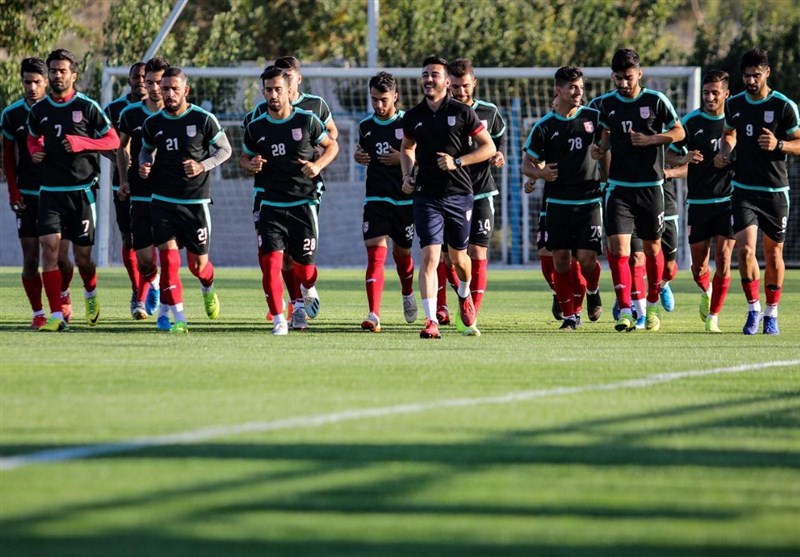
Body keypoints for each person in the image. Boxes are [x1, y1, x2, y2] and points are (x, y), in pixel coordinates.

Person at [400, 56, 496, 338]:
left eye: (435, 74)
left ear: (446, 81)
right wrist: (407, 175)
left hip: (459, 194)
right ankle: (431, 320)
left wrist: (458, 162)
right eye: (425, 74)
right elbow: (407, 147)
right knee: (430, 256)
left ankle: (464, 295)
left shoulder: (462, 112)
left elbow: (488, 147)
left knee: (459, 259)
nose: (429, 79)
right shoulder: (413, 116)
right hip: (426, 196)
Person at [239, 66, 338, 334]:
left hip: (302, 204)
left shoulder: (307, 120)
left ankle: (307, 288)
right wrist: (251, 164)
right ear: (263, 92)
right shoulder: (255, 126)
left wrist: (317, 166)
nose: (273, 95)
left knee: (304, 270)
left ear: (288, 90)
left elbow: (332, 145)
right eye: (268, 90)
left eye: (278, 89)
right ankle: (280, 319)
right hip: (271, 205)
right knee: (272, 264)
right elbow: (244, 157)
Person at [592, 48, 684, 332]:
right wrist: (600, 149)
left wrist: (651, 140)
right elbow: (605, 135)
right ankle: (625, 310)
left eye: (628, 77)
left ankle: (652, 305)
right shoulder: (607, 103)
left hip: (651, 188)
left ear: (639, 74)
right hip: (619, 188)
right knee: (618, 248)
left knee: (652, 249)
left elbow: (679, 132)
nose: (623, 83)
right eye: (618, 78)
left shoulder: (656, 100)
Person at [27, 48, 120, 331]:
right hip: (50, 191)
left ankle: (90, 292)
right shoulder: (39, 110)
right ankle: (56, 315)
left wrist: (83, 143)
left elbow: (113, 141)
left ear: (73, 75)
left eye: (62, 70)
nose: (57, 75)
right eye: (53, 71)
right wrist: (35, 150)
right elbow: (32, 138)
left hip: (81, 191)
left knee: (83, 259)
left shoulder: (88, 107)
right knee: (50, 250)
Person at [138, 67, 232, 333]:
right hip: (162, 200)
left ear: (185, 90)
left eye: (174, 89)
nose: (168, 93)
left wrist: (202, 165)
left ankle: (207, 286)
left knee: (198, 266)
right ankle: (176, 317)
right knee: (169, 261)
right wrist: (145, 163)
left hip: (195, 202)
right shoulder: (153, 123)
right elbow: (146, 150)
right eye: (165, 88)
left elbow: (225, 150)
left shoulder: (203, 119)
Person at [714, 48, 800, 335]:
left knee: (773, 254)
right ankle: (753, 309)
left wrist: (779, 145)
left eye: (756, 75)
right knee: (746, 249)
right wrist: (725, 151)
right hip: (743, 190)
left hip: (775, 191)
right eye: (747, 76)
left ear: (767, 73)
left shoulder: (784, 106)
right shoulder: (734, 104)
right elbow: (729, 133)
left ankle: (771, 313)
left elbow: (799, 142)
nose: (751, 80)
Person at [522, 66, 603, 330]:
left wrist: (604, 158)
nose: (578, 92)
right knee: (560, 259)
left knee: (587, 259)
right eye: (572, 87)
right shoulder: (544, 126)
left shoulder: (594, 117)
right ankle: (570, 316)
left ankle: (593, 290)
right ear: (559, 90)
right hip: (557, 203)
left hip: (589, 201)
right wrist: (540, 173)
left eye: (580, 87)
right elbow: (526, 164)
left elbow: (609, 144)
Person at [2, 57, 74, 329]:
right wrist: (13, 192)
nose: (31, 87)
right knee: (31, 259)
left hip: (58, 193)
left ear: (46, 82)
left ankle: (63, 293)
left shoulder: (61, 108)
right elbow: (7, 158)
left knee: (62, 259)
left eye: (36, 82)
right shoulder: (12, 115)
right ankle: (38, 313)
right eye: (26, 82)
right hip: (29, 195)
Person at [435, 58, 506, 329]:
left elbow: (497, 140)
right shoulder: (439, 112)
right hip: (449, 193)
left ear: (474, 83)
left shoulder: (489, 112)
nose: (461, 91)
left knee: (477, 252)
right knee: (447, 257)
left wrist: (498, 154)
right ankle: (449, 303)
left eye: (465, 86)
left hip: (481, 191)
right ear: (447, 85)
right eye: (455, 87)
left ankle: (470, 311)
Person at [666, 70, 734, 332]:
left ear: (726, 94)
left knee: (724, 259)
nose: (710, 97)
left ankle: (713, 317)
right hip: (698, 203)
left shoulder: (735, 121)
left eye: (715, 93)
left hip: (728, 201)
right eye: (706, 92)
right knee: (698, 267)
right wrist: (682, 159)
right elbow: (669, 154)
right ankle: (707, 291)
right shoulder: (691, 122)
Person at [353, 71, 417, 332]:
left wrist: (402, 159)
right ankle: (374, 314)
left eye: (383, 99)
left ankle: (407, 291)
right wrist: (359, 156)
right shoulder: (365, 126)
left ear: (395, 96)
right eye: (374, 99)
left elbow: (422, 155)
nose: (378, 105)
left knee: (402, 255)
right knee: (375, 254)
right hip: (376, 197)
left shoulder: (409, 122)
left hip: (404, 200)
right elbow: (362, 151)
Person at [117, 57, 169, 324]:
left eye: (160, 82)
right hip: (139, 191)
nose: (154, 88)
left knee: (169, 250)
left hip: (170, 193)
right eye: (150, 82)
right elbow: (122, 146)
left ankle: (166, 307)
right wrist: (124, 178)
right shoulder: (130, 114)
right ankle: (151, 284)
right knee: (144, 257)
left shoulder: (179, 113)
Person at [105, 62, 146, 316]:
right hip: (122, 182)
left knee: (153, 239)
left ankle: (150, 290)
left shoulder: (161, 106)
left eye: (144, 77)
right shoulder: (114, 109)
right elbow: (100, 140)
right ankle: (136, 288)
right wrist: (118, 159)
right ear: (129, 80)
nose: (140, 81)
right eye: (136, 77)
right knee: (128, 238)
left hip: (154, 183)